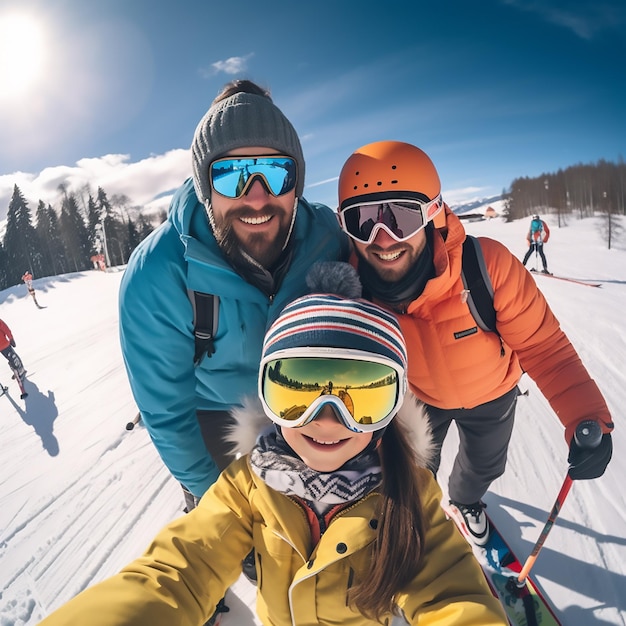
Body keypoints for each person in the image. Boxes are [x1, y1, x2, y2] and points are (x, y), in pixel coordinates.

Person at [39, 264, 508, 625]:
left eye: (361, 394)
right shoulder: (247, 487)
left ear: (392, 409)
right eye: (298, 391)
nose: (327, 419)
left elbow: (453, 595)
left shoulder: (410, 494)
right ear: (267, 397)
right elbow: (179, 571)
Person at [336, 140, 614, 546]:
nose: (382, 238)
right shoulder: (352, 293)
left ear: (432, 213)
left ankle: (465, 502)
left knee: (482, 466)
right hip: (418, 401)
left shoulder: (487, 267)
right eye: (364, 221)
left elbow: (545, 347)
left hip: (494, 396)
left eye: (400, 217)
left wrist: (585, 415)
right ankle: (417, 515)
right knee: (411, 472)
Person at [118, 79, 349, 516]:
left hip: (305, 404)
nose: (256, 196)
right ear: (205, 188)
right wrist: (214, 502)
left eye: (275, 172)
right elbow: (167, 412)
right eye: (232, 175)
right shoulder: (159, 272)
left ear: (296, 182)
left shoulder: (328, 237)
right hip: (216, 417)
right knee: (237, 540)